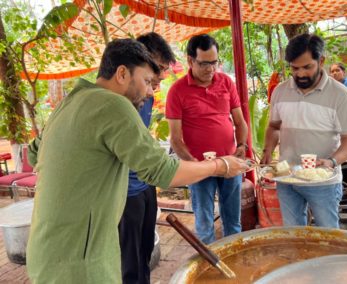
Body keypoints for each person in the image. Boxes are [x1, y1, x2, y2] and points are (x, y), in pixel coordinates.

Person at [26, 38, 249, 283]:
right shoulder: (114, 105)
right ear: (122, 73)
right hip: (80, 260)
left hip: (46, 251)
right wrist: (222, 165)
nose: (151, 91)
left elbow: (34, 153)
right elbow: (163, 172)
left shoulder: (70, 101)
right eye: (146, 81)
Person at [261, 33, 347, 228]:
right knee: (293, 232)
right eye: (294, 68)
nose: (301, 74)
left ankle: (329, 260)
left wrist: (331, 162)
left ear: (321, 61)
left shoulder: (340, 94)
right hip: (287, 176)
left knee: (327, 234)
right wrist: (267, 151)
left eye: (307, 67)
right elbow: (274, 126)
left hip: (322, 180)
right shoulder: (280, 91)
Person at [166, 34, 248, 244]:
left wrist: (241, 145)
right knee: (204, 223)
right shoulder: (177, 91)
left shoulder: (226, 82)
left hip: (229, 162)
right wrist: (194, 165)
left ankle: (234, 263)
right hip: (199, 167)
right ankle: (210, 268)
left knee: (233, 220)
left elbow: (240, 121)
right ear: (190, 61)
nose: (211, 69)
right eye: (204, 63)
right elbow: (175, 139)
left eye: (214, 62)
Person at [117, 33, 175, 284]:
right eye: (159, 68)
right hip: (124, 191)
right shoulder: (118, 101)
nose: (161, 76)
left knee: (145, 250)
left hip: (145, 185)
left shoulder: (146, 96)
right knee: (129, 260)